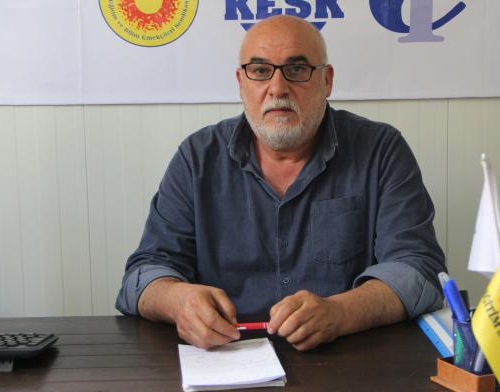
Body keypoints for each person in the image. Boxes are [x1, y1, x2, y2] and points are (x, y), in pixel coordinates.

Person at [116, 15, 446, 351]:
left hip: (349, 357)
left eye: (297, 69)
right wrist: (178, 301)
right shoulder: (197, 159)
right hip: (224, 357)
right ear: (241, 82)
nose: (277, 88)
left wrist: (340, 312)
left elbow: (418, 270)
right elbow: (143, 276)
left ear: (327, 81)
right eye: (260, 71)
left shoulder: (381, 151)